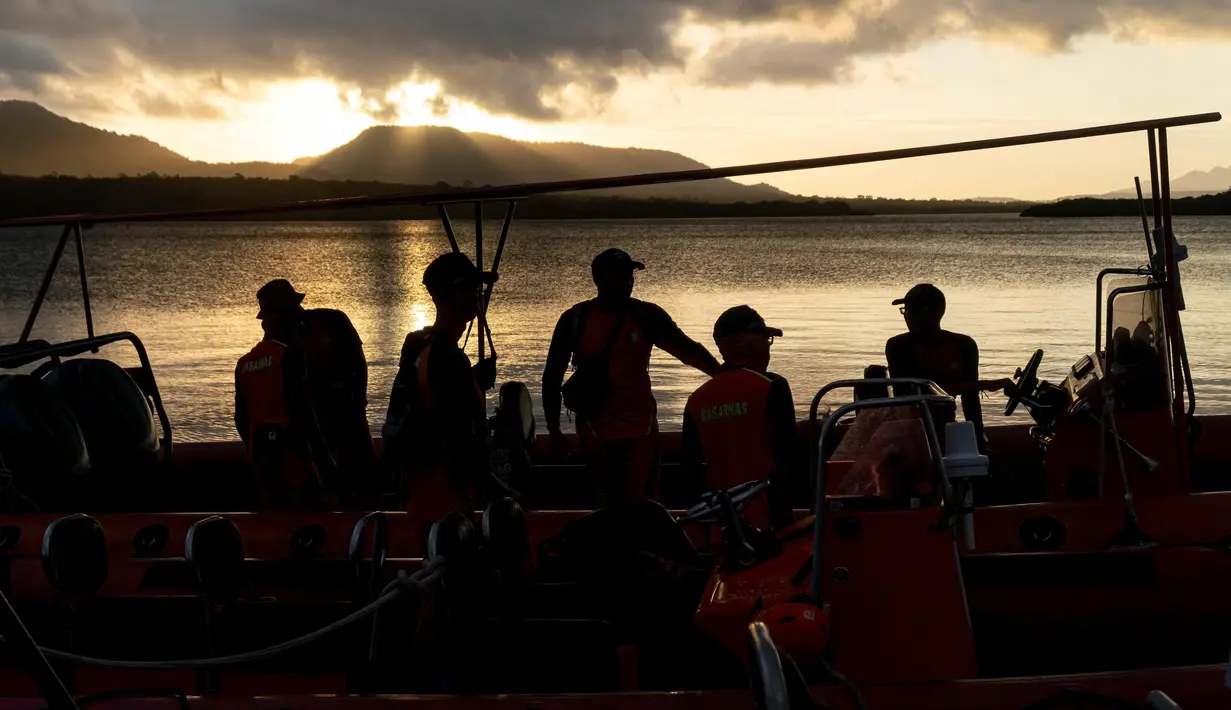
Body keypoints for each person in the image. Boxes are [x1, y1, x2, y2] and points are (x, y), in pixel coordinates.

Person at [542, 248, 720, 507]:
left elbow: (687, 350)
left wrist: (722, 374)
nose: (628, 281)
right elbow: (551, 378)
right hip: (596, 430)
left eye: (629, 275)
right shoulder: (575, 319)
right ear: (598, 279)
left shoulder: (646, 315)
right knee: (606, 504)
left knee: (643, 505)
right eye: (621, 275)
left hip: (640, 430)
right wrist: (554, 431)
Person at [383, 252, 514, 525]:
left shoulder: (422, 345)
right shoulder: (448, 359)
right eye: (471, 289)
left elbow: (434, 404)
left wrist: (473, 383)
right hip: (446, 501)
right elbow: (459, 437)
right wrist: (497, 493)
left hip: (423, 493)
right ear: (453, 294)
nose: (478, 296)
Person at [680, 306, 799, 531]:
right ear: (752, 345)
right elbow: (789, 456)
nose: (768, 346)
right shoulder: (772, 386)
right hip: (770, 526)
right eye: (767, 339)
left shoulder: (696, 400)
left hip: (720, 527)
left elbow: (691, 472)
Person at [234, 279, 333, 509]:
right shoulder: (289, 358)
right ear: (285, 317)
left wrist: (255, 453)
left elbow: (240, 419)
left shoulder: (244, 364)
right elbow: (303, 414)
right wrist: (326, 463)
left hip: (261, 462)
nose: (300, 317)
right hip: (295, 464)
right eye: (295, 311)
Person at [884, 284, 1013, 449]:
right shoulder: (898, 346)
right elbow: (914, 392)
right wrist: (987, 385)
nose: (906, 316)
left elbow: (970, 400)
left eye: (911, 310)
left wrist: (978, 439)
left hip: (946, 427)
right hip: (908, 432)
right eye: (905, 310)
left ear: (933, 313)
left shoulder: (964, 345)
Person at [297, 300, 379, 501]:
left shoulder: (332, 319)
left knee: (360, 463)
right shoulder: (290, 339)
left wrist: (359, 401)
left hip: (346, 409)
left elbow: (359, 362)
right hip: (322, 414)